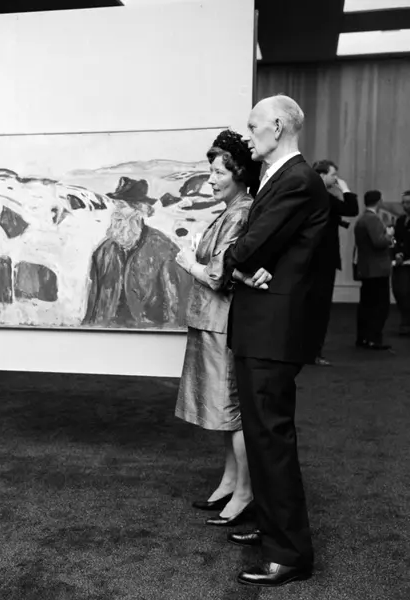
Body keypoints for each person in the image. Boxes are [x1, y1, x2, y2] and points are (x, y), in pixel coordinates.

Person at [222, 94, 330, 587]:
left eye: (253, 126)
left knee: (271, 438)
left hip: (274, 330)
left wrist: (240, 263)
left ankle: (289, 554)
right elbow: (255, 251)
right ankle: (271, 529)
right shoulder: (281, 178)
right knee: (263, 436)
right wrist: (246, 264)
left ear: (279, 126)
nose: (248, 135)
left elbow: (246, 248)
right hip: (264, 326)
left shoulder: (296, 180)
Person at [174, 130, 262, 526]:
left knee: (232, 410)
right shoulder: (230, 211)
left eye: (218, 172)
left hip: (222, 323)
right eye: (210, 172)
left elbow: (218, 276)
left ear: (239, 173)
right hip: (212, 321)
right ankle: (230, 481)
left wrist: (188, 263)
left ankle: (245, 490)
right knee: (224, 411)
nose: (210, 179)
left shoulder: (241, 212)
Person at [83, 177, 189, 328]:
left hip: (148, 335)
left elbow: (176, 308)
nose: (116, 213)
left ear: (139, 211)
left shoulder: (164, 250)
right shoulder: (103, 252)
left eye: (122, 206)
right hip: (106, 334)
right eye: (116, 206)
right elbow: (93, 305)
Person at [310, 160, 359, 366]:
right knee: (320, 309)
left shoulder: (309, 195)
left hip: (310, 258)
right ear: (322, 175)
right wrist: (345, 189)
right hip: (323, 259)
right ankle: (314, 353)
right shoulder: (324, 197)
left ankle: (307, 352)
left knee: (309, 308)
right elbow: (352, 209)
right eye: (333, 175)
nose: (336, 179)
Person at [353, 190, 394, 350]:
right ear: (379, 201)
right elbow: (379, 242)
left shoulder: (362, 219)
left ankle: (363, 337)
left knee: (366, 304)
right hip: (377, 269)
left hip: (366, 268)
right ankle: (373, 338)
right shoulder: (373, 219)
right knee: (379, 305)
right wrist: (389, 235)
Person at [391, 191, 410, 336]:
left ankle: (406, 323)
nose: (405, 205)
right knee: (399, 291)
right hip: (400, 262)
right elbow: (396, 239)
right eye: (403, 202)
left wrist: (403, 254)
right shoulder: (401, 220)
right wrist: (397, 253)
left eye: (408, 202)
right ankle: (405, 320)